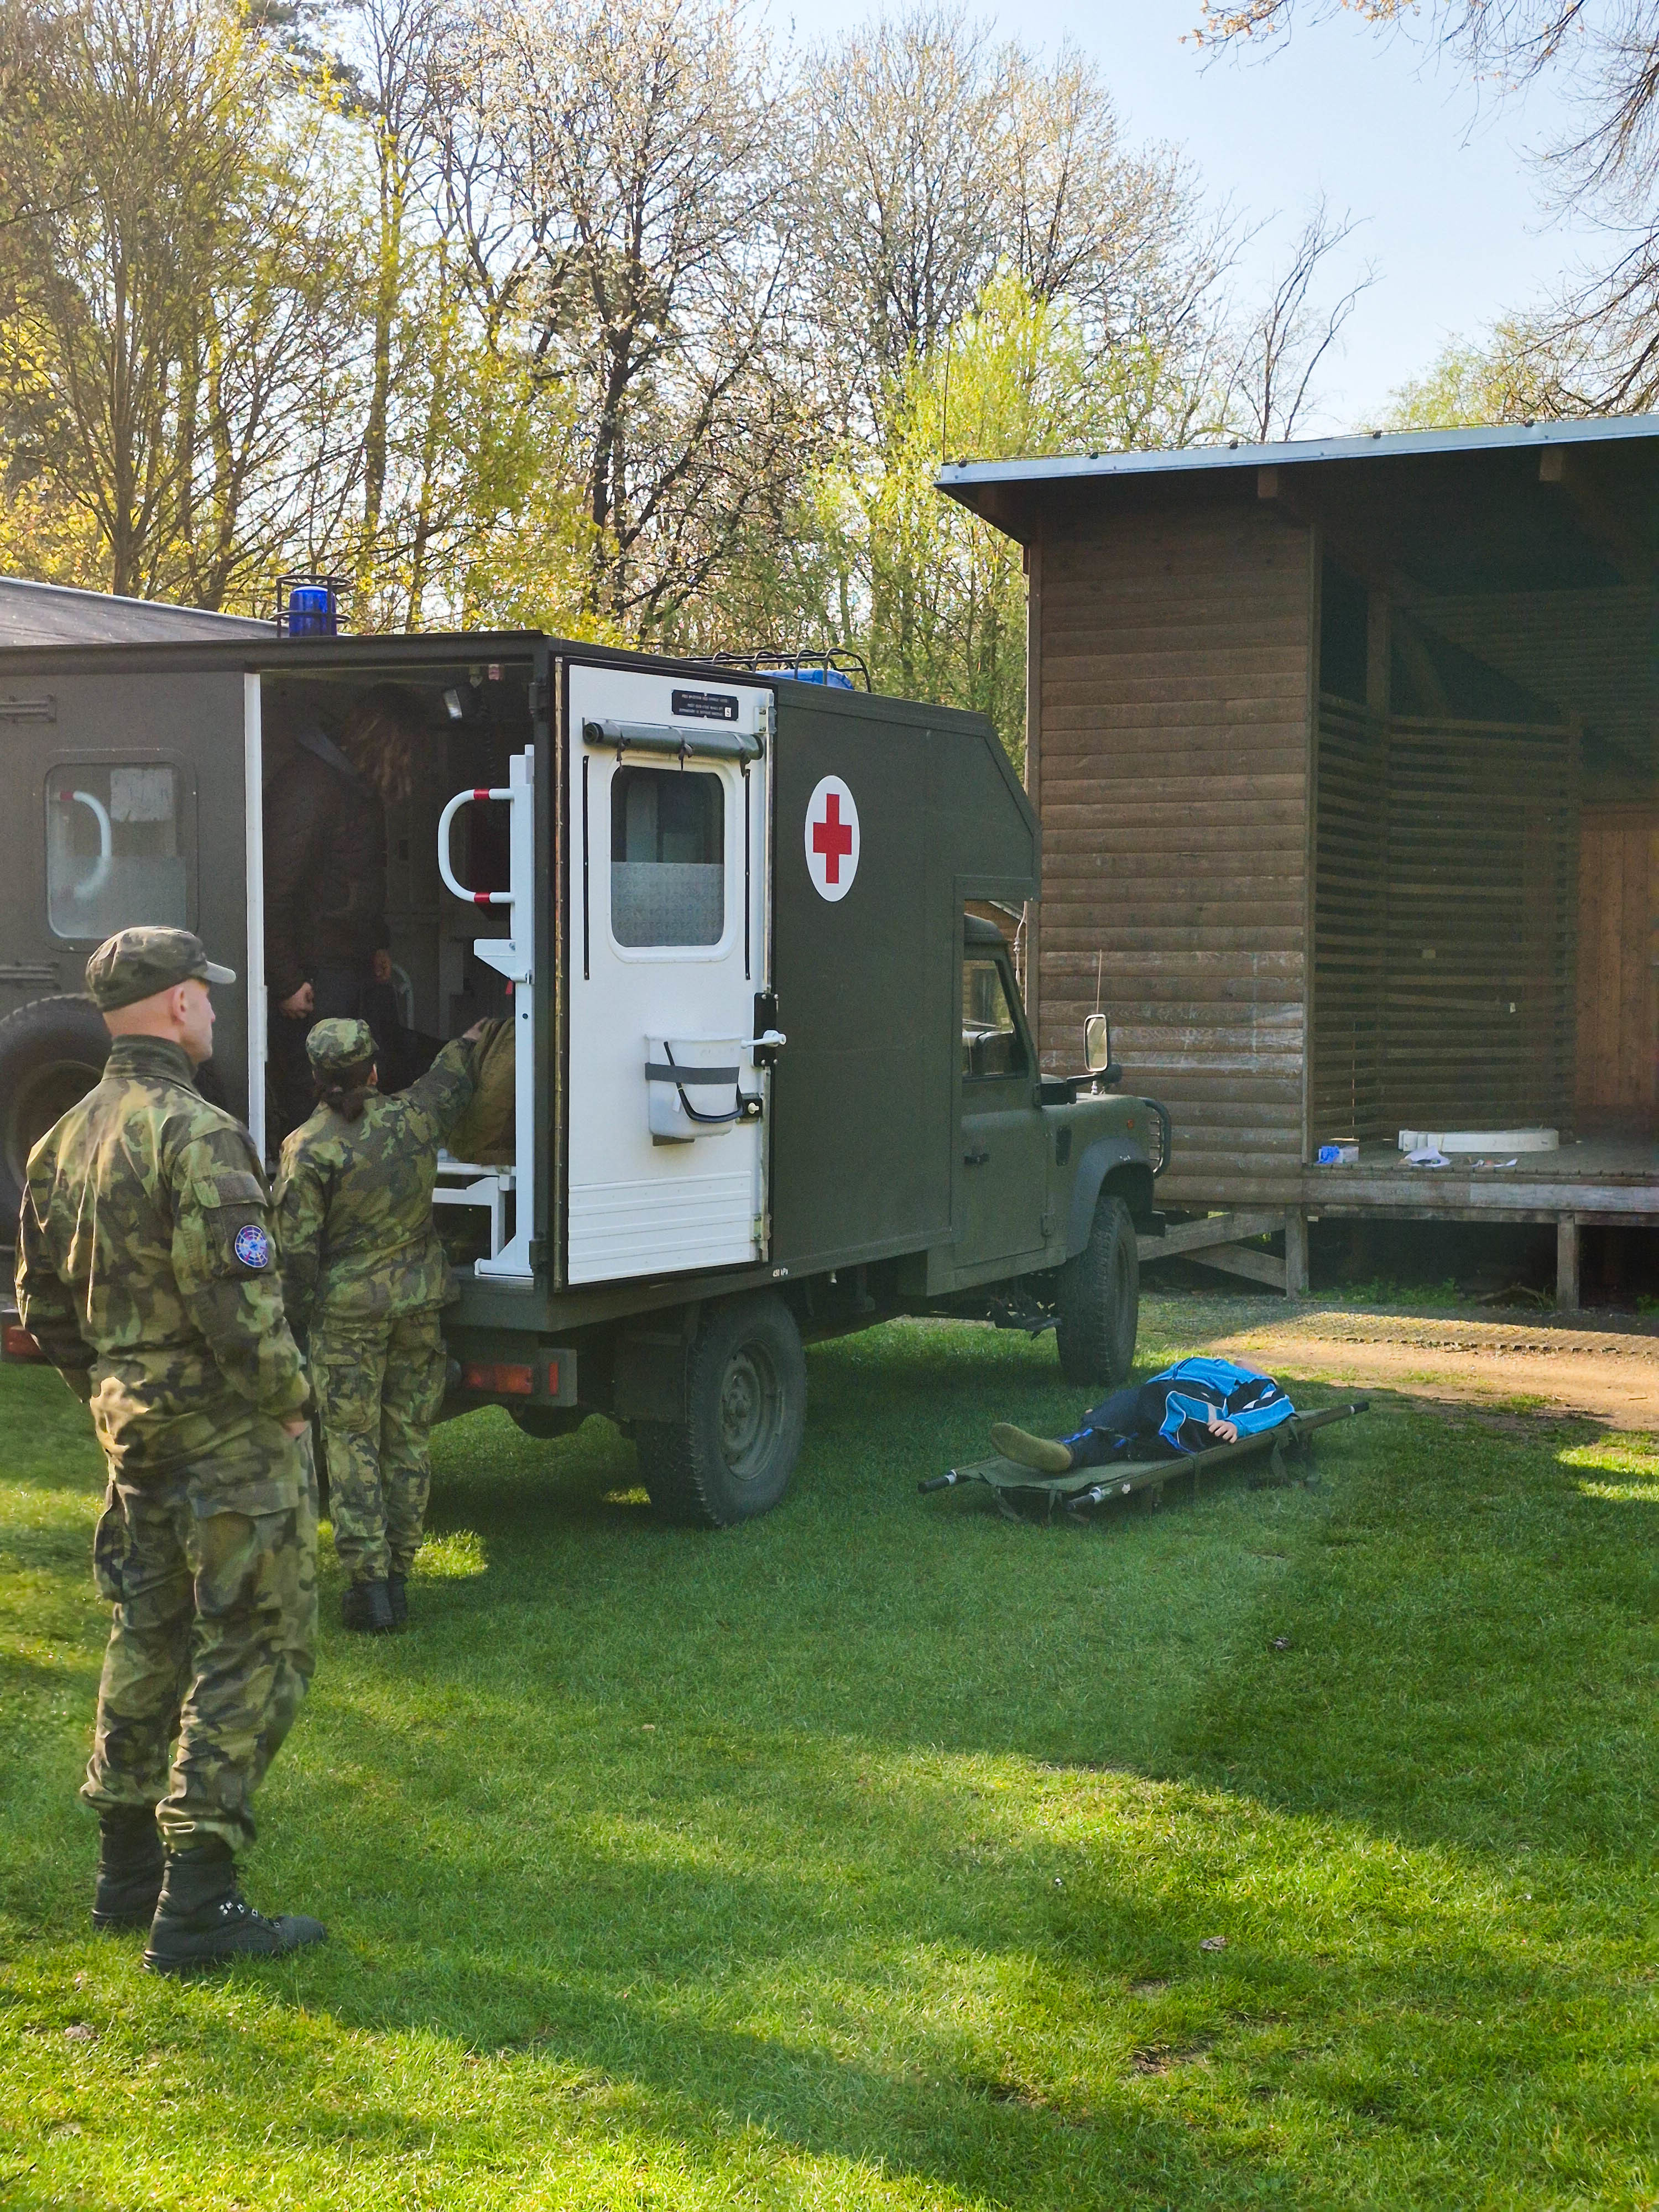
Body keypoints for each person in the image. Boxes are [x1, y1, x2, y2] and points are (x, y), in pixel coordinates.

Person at [14, 927, 326, 1975]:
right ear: (179, 1004)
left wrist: (108, 1388)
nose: (215, 1009)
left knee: (148, 1635)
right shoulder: (198, 1134)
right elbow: (238, 1306)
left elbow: (40, 1306)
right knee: (256, 1644)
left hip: (135, 1437)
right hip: (226, 1438)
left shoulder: (61, 1140)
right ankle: (196, 1900)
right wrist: (290, 1403)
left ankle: (125, 1877)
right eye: (207, 992)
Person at [274, 1015, 488, 1633]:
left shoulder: (307, 1147)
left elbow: (295, 1252)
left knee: (351, 1441)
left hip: (346, 1317)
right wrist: (469, 1040)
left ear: (316, 1078)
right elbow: (448, 1081)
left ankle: (369, 1589)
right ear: (373, 1069)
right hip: (419, 1304)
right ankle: (399, 1575)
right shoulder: (414, 1118)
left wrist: (293, 1318)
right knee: (409, 1436)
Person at [263, 684, 425, 1140]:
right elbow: (274, 890)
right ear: (384, 742)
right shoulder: (311, 787)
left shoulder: (351, 786)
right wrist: (287, 980)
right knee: (313, 1093)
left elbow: (358, 877)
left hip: (346, 965)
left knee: (364, 1080)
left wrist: (376, 943)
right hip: (315, 973)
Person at [990, 1358, 1296, 1474]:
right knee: (1125, 1417)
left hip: (1199, 1409)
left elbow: (1279, 1405)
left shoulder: (1256, 1382)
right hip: (1158, 1399)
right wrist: (1108, 1411)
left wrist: (1237, 1424)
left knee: (1152, 1401)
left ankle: (1078, 1443)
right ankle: (1064, 1453)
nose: (1244, 1361)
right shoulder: (1203, 1362)